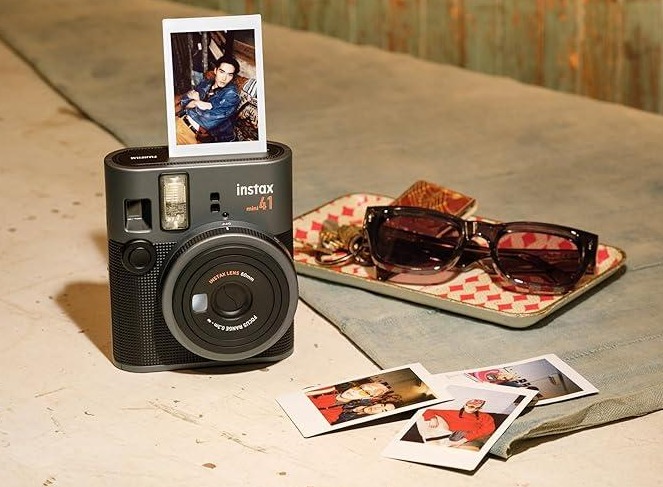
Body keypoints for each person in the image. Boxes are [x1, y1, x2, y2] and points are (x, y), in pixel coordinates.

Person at [175, 55, 241, 145]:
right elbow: (184, 101)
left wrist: (196, 101)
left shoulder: (232, 95)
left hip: (194, 135)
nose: (224, 78)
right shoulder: (207, 83)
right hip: (180, 121)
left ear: (233, 77)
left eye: (229, 74)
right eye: (222, 72)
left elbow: (206, 121)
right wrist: (197, 103)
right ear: (215, 70)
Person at [421, 399, 496, 449]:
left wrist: (465, 439)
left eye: (477, 408)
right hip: (454, 437)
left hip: (476, 438)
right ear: (464, 405)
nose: (474, 409)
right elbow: (427, 410)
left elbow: (488, 429)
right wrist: (433, 418)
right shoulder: (452, 412)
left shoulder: (485, 416)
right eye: (471, 407)